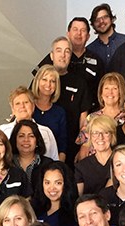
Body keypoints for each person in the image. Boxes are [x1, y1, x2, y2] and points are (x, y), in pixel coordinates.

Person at [32, 18, 104, 116]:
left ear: (88, 36)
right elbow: (36, 83)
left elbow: (102, 90)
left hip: (84, 114)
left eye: (83, 30)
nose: (79, 33)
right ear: (68, 34)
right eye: (75, 29)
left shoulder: (97, 61)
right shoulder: (57, 56)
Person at [0, 87, 59, 163]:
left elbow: (55, 161)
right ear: (12, 109)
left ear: (33, 106)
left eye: (26, 102)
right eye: (17, 103)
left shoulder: (46, 132)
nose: (22, 106)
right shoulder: (2, 131)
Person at [46, 36, 92, 173]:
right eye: (59, 50)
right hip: (43, 148)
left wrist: (83, 145)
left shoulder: (80, 83)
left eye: (67, 51)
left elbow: (84, 118)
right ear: (52, 55)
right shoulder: (42, 81)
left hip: (71, 148)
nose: (63, 55)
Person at [30, 161, 84, 226]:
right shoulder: (34, 209)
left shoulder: (75, 213)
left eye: (58, 183)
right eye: (47, 182)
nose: (52, 188)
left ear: (67, 184)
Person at [74, 71, 125, 160]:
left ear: (121, 92)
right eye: (106, 88)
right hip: (92, 164)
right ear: (101, 93)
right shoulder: (92, 117)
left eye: (114, 88)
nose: (110, 92)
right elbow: (83, 147)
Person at [31, 64, 68, 160]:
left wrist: (58, 166)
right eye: (44, 80)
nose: (48, 84)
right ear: (37, 81)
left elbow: (62, 144)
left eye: (52, 81)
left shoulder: (59, 112)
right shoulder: (28, 107)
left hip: (51, 162)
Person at [74, 115, 116, 195]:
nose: (100, 137)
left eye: (105, 132)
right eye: (95, 133)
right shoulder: (82, 166)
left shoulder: (121, 161)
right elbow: (79, 198)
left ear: (112, 136)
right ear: (90, 137)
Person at [9, 118, 53, 192]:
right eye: (21, 136)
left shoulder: (48, 164)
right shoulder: (7, 164)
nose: (26, 140)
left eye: (31, 136)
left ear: (37, 141)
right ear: (14, 140)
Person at [86, 3, 125, 69]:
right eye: (97, 20)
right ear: (93, 25)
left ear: (112, 19)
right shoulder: (89, 50)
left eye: (105, 17)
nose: (101, 21)